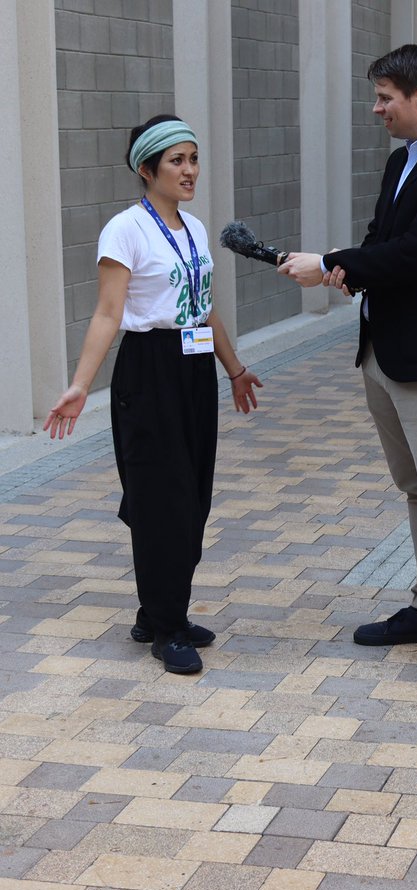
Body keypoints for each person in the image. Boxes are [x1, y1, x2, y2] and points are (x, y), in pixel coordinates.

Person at [278, 44, 417, 692]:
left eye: (384, 98)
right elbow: (383, 243)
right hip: (385, 354)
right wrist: (348, 269)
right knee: (416, 490)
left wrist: (331, 259)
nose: (377, 110)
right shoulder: (404, 161)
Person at [43, 114, 262, 676]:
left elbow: (203, 305)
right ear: (147, 168)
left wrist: (234, 369)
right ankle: (167, 626)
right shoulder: (126, 230)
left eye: (193, 159)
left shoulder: (191, 228)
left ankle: (159, 606)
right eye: (177, 161)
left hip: (193, 371)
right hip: (149, 369)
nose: (190, 171)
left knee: (192, 497)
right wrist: (79, 385)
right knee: (162, 498)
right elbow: (108, 313)